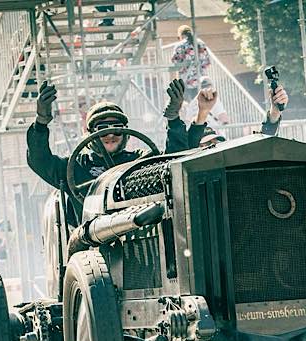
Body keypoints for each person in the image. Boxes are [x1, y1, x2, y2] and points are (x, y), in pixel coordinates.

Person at [27, 81, 151, 225]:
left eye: (117, 128)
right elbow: (39, 160)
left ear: (125, 133)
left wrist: (174, 122)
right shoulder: (75, 167)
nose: (110, 135)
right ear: (91, 134)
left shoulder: (140, 160)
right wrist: (41, 123)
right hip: (93, 243)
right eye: (103, 128)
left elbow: (170, 164)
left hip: (141, 233)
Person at [171, 25, 211, 101]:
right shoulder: (201, 43)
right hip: (201, 81)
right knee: (199, 106)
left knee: (187, 107)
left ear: (181, 35)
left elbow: (175, 63)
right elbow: (207, 62)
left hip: (185, 82)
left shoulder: (179, 45)